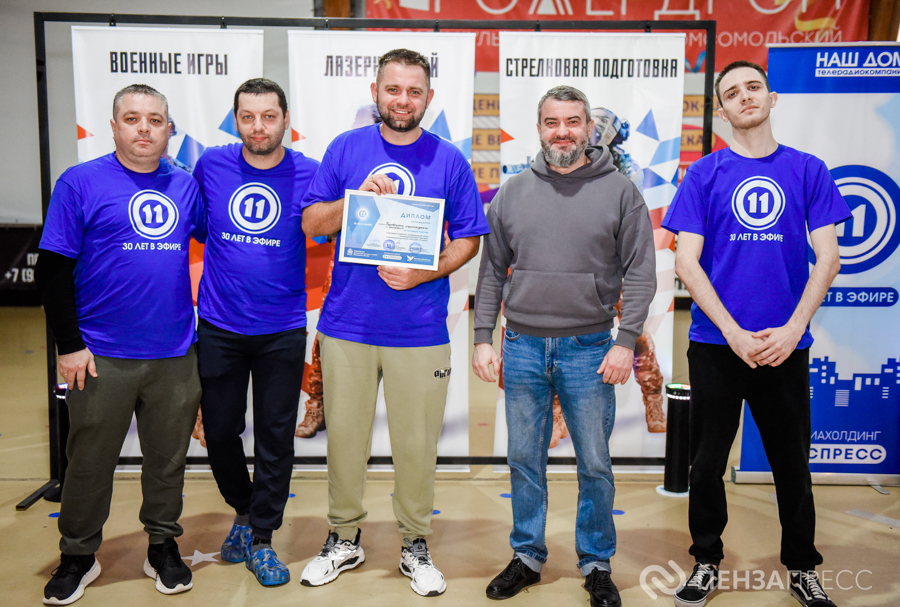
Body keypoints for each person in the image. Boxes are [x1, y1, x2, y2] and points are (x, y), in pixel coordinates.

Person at [298, 48, 489, 597]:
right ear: (375, 92)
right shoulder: (345, 148)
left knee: (415, 445)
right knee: (345, 443)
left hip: (419, 330)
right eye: (393, 89)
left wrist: (426, 271)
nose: (402, 100)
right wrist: (355, 200)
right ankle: (343, 538)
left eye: (414, 91)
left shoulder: (448, 159)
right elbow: (312, 222)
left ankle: (414, 543)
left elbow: (469, 239)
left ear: (428, 97)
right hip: (347, 326)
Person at [662, 61, 850, 607]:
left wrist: (793, 329)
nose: (745, 96)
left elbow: (829, 258)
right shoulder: (704, 175)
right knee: (706, 465)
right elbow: (687, 262)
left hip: (785, 347)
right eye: (732, 93)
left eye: (753, 87)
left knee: (792, 465)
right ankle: (706, 561)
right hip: (717, 346)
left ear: (772, 97)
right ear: (721, 112)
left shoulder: (808, 170)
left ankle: (803, 567)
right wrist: (734, 333)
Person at [472, 85, 657, 607]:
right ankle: (527, 555)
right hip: (523, 346)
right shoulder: (512, 192)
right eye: (552, 122)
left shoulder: (621, 191)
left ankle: (596, 562)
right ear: (539, 128)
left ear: (588, 129)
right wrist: (483, 338)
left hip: (589, 348)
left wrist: (625, 342)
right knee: (523, 459)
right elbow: (491, 272)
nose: (563, 132)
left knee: (594, 462)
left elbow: (641, 273)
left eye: (573, 122)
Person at [36, 84, 203, 604]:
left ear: (169, 129)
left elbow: (220, 243)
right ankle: (78, 554)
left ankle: (162, 546)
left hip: (174, 354)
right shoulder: (80, 182)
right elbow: (52, 269)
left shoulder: (185, 186)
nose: (144, 128)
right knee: (89, 460)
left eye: (155, 119)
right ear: (113, 127)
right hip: (99, 354)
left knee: (167, 461)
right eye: (132, 118)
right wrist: (69, 344)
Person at [191, 78, 319, 586]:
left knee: (274, 437)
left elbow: (332, 226)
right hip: (219, 325)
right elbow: (197, 228)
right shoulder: (211, 165)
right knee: (220, 431)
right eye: (248, 116)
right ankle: (243, 509)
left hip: (282, 329)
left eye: (269, 116)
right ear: (236, 120)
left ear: (285, 119)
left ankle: (262, 538)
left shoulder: (310, 172)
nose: (259, 126)